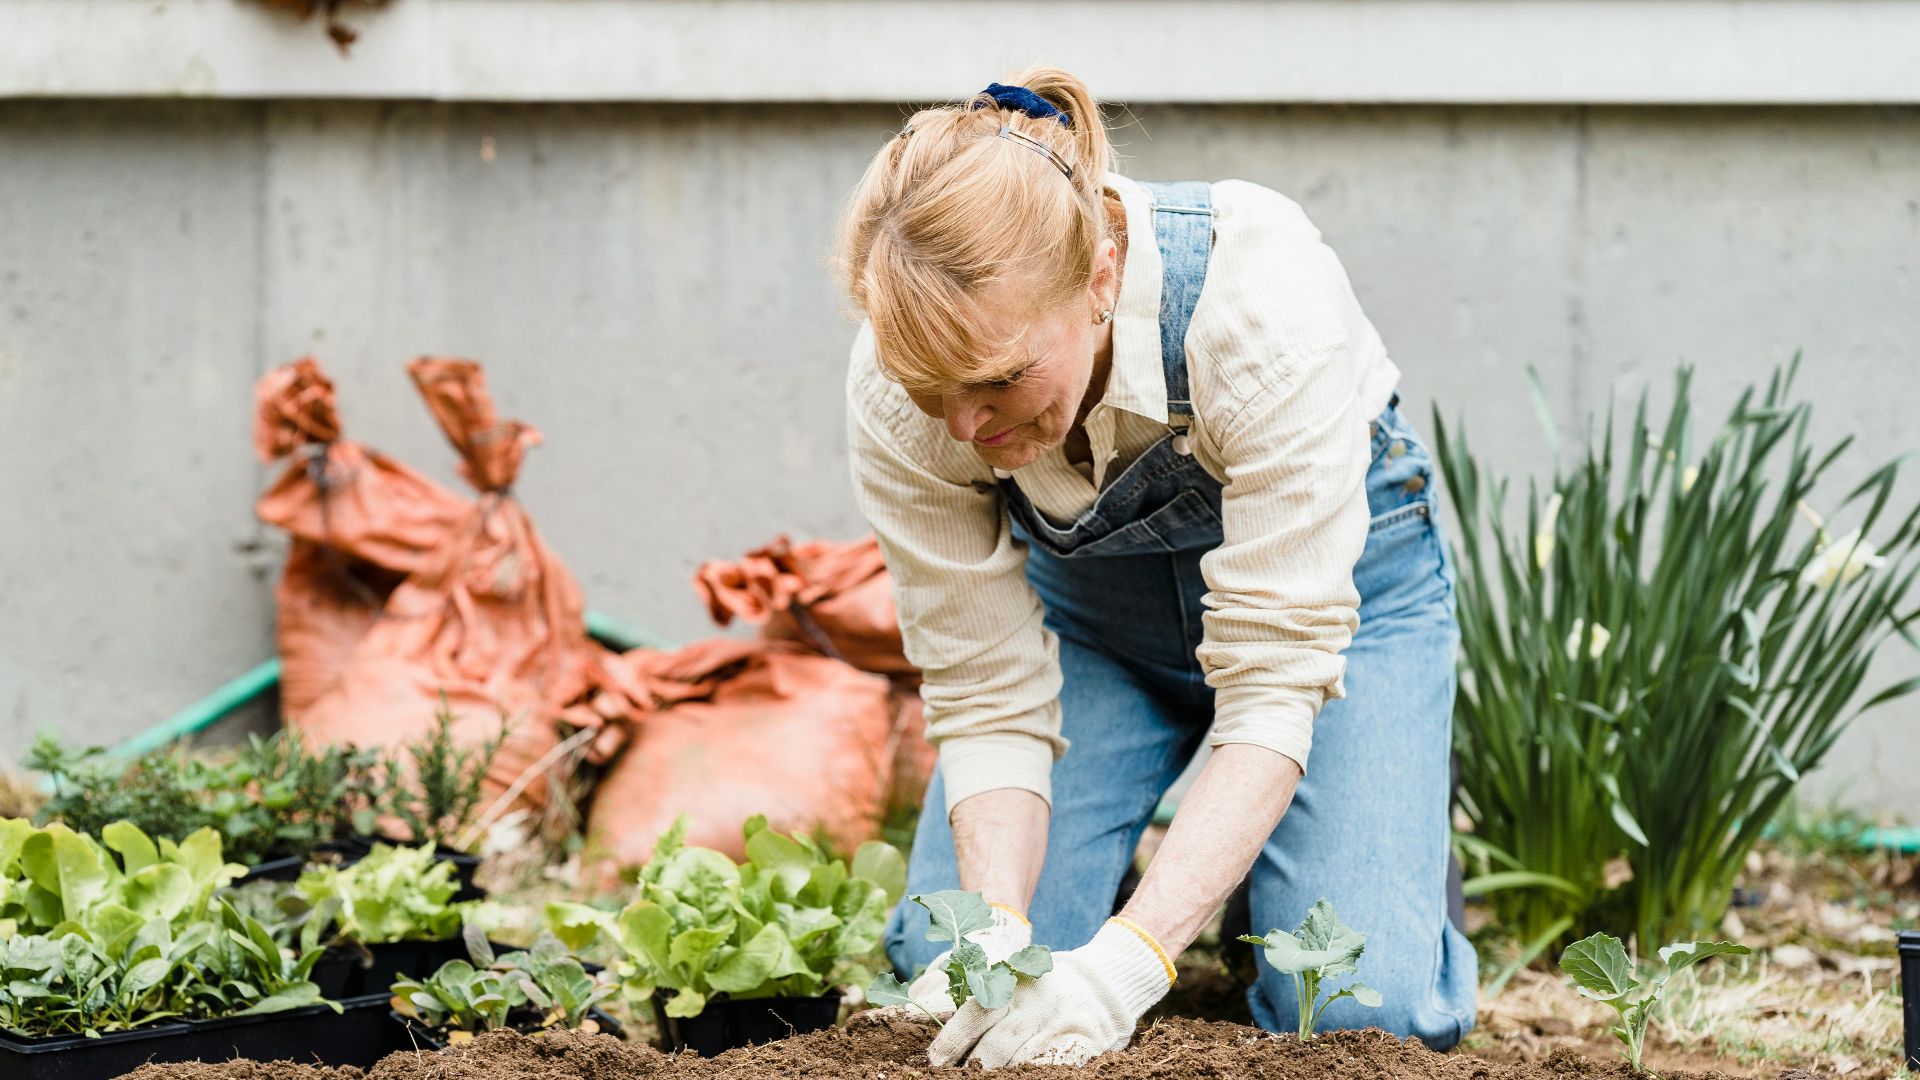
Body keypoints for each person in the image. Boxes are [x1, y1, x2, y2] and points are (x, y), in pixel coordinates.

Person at [832, 67, 1476, 1068]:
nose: (967, 428)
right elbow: (986, 695)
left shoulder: (1258, 308)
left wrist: (1125, 969)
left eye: (1000, 380)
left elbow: (1270, 690)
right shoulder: (899, 388)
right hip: (1099, 634)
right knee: (949, 960)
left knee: (1356, 1007)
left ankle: (1344, 841)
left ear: (1099, 277)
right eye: (933, 390)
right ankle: (1236, 857)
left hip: (1342, 622)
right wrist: (1000, 937)